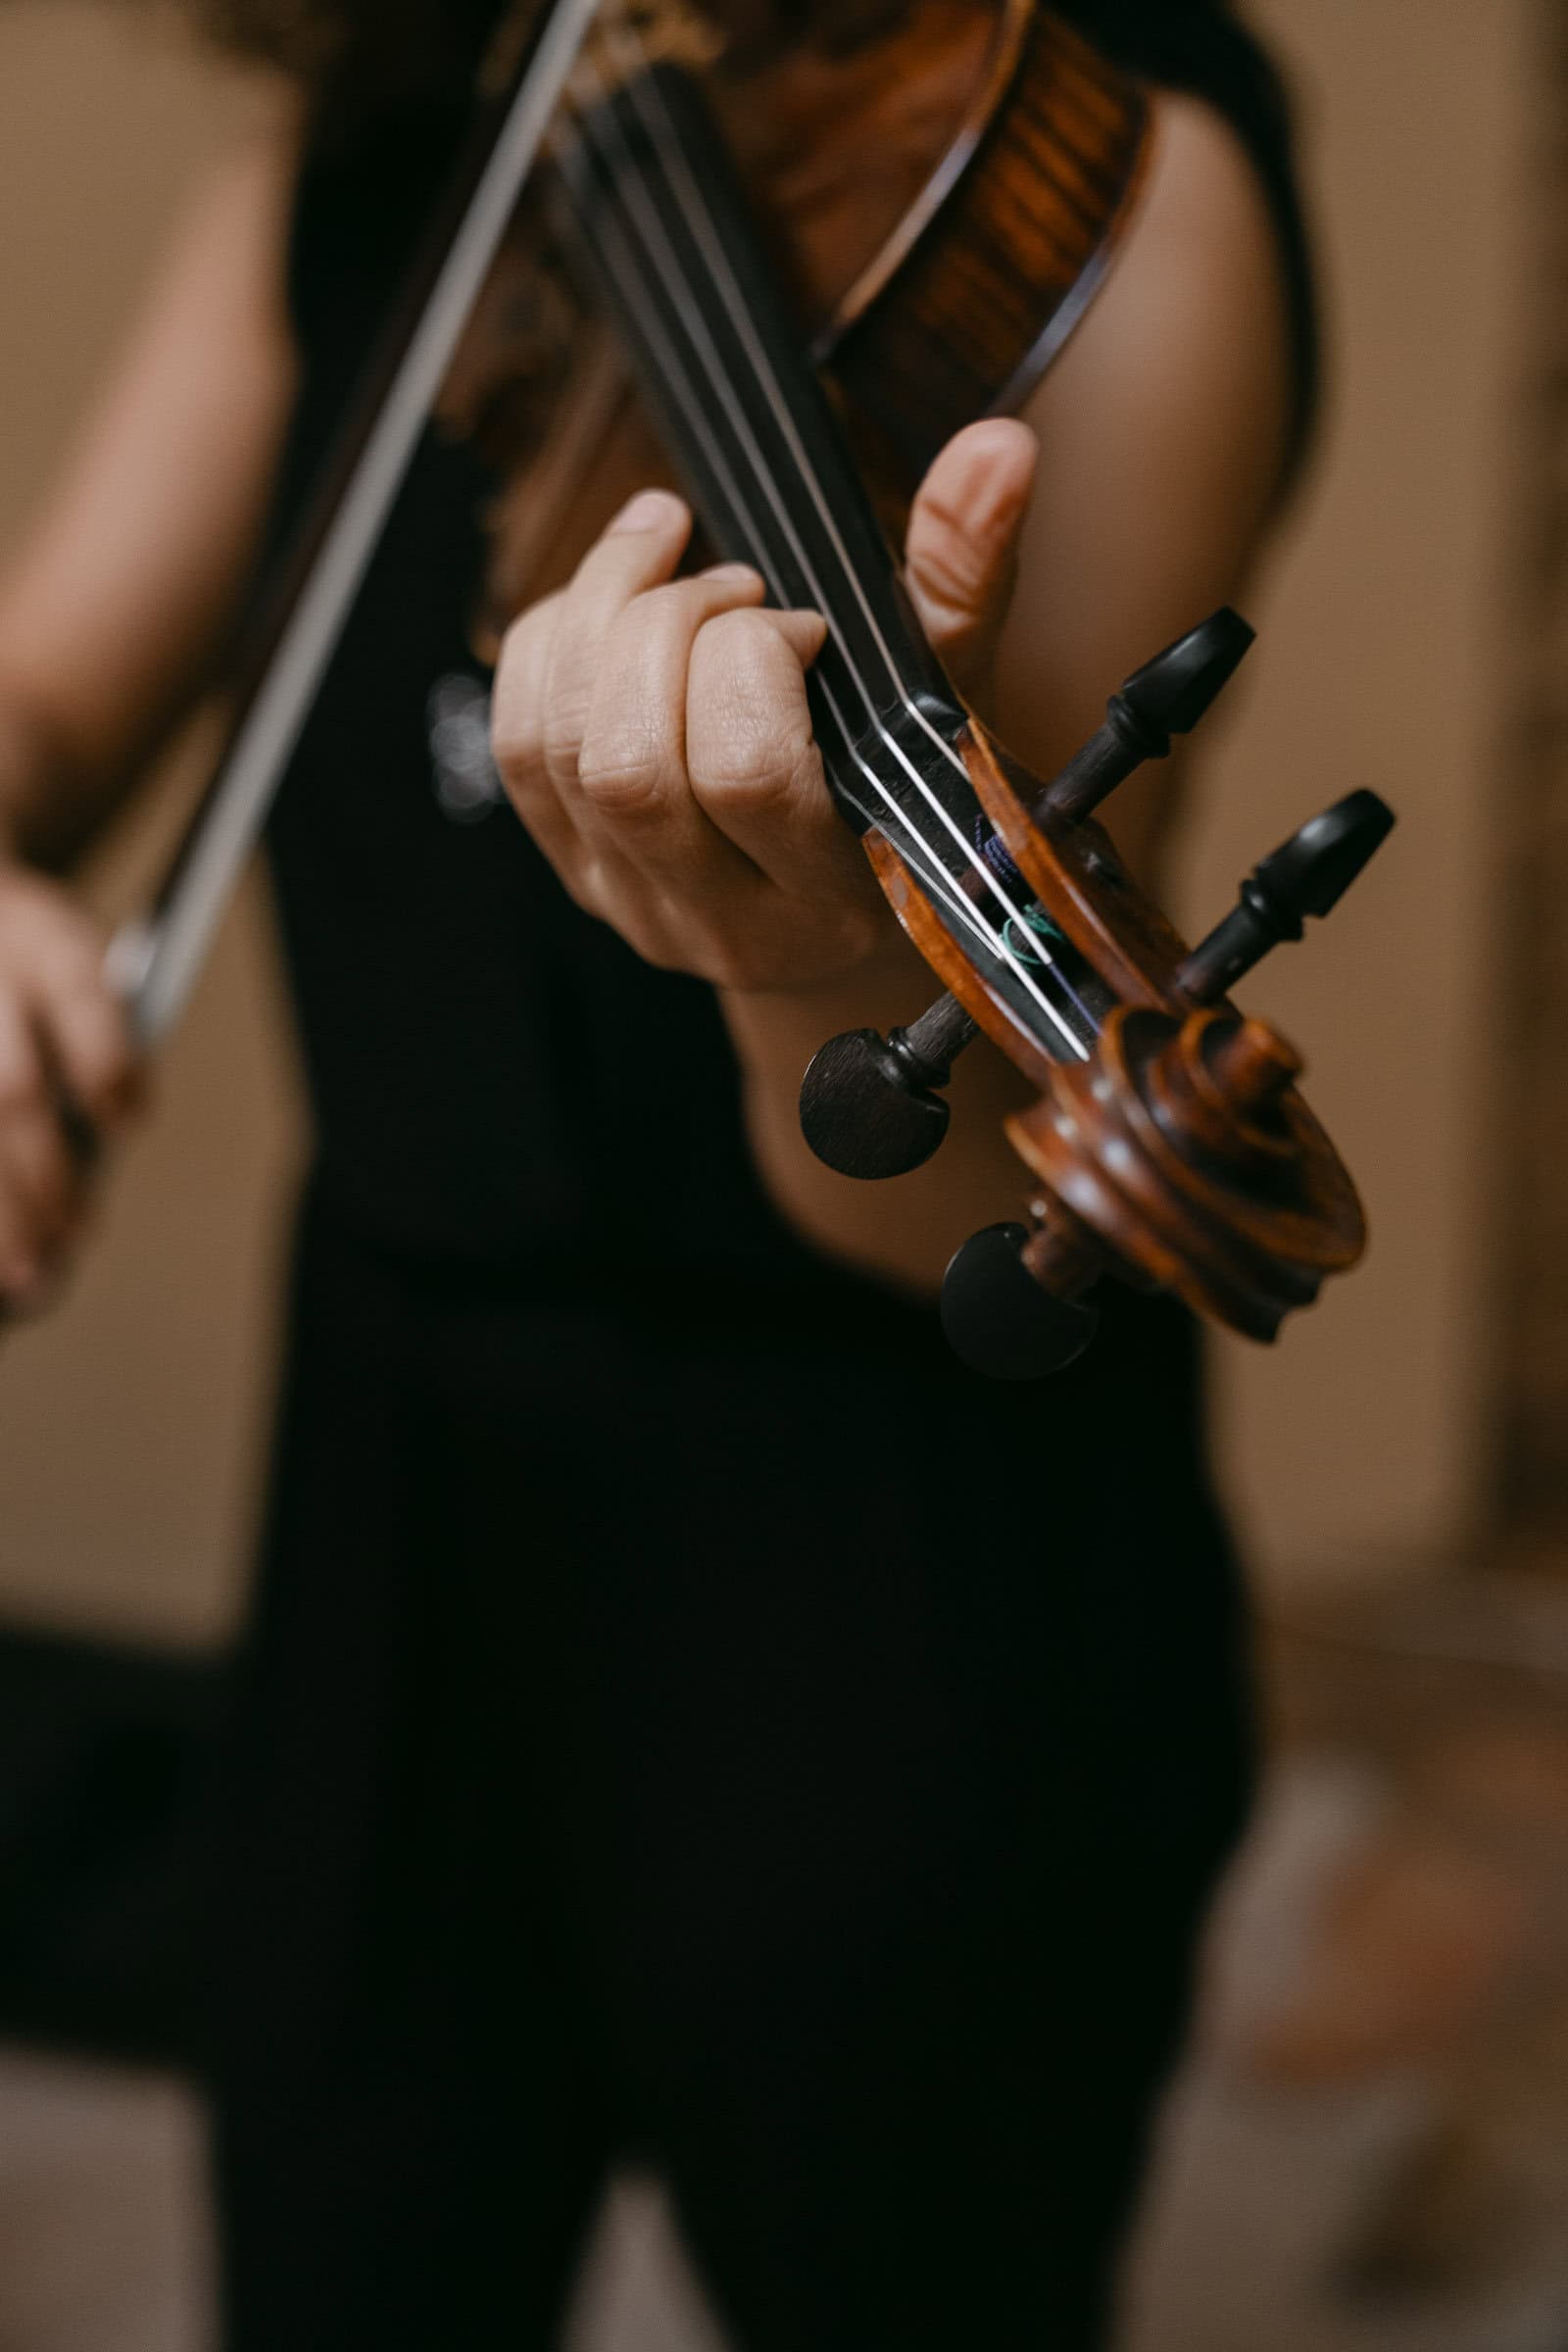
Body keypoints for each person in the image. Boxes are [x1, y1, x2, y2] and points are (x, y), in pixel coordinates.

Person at [0, 2, 1317, 2343]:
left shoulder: (1118, 170)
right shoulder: (410, 92)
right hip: (396, 1448)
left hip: (892, 1527)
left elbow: (949, 1231)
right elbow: (50, 696)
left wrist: (812, 975)